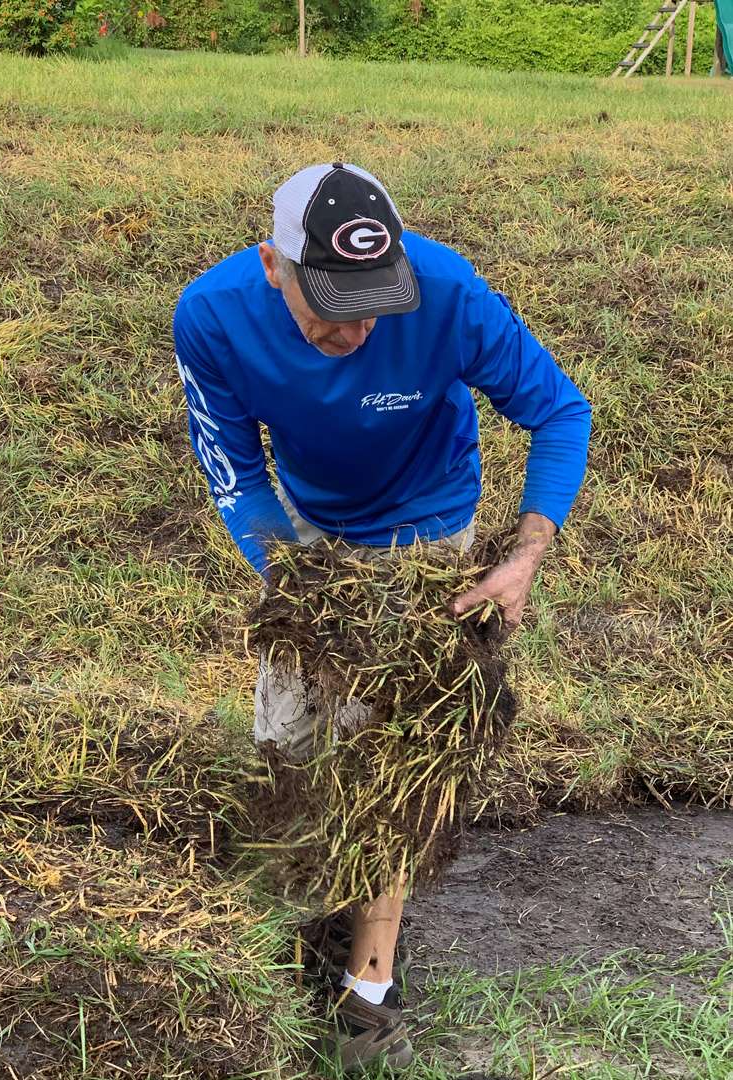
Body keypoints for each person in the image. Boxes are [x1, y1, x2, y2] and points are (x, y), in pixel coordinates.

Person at [174, 162, 591, 1072]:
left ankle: (371, 983)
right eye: (332, 303)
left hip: (428, 527)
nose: (358, 330)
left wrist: (520, 560)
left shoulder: (447, 293)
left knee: (390, 751)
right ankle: (309, 914)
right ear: (272, 265)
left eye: (374, 303)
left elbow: (560, 411)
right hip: (306, 527)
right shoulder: (211, 316)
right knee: (288, 735)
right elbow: (235, 470)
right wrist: (298, 586)